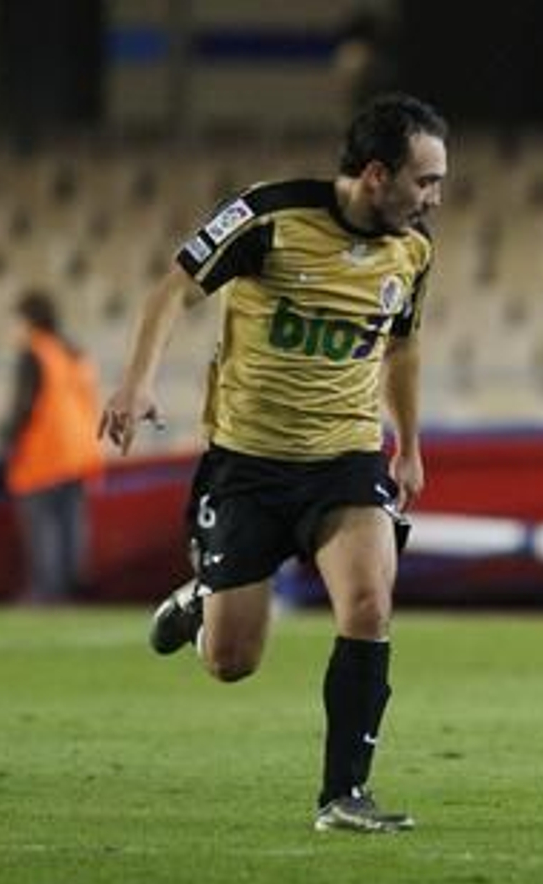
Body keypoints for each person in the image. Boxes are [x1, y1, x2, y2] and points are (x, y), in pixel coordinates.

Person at [98, 93, 447, 833]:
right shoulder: (268, 217)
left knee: (368, 604)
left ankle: (342, 795)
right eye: (425, 181)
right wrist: (137, 381)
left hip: (345, 457)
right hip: (248, 462)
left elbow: (403, 347)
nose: (435, 198)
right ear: (378, 175)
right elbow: (173, 289)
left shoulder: (413, 249)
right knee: (231, 661)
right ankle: (202, 598)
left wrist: (407, 443)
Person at [3, 289, 104, 603]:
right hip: (80, 455)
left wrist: (4, 440)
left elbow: (24, 406)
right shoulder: (75, 353)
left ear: (30, 321)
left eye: (16, 321)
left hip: (43, 456)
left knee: (44, 532)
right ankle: (70, 593)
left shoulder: (34, 353)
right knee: (71, 531)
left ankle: (46, 595)